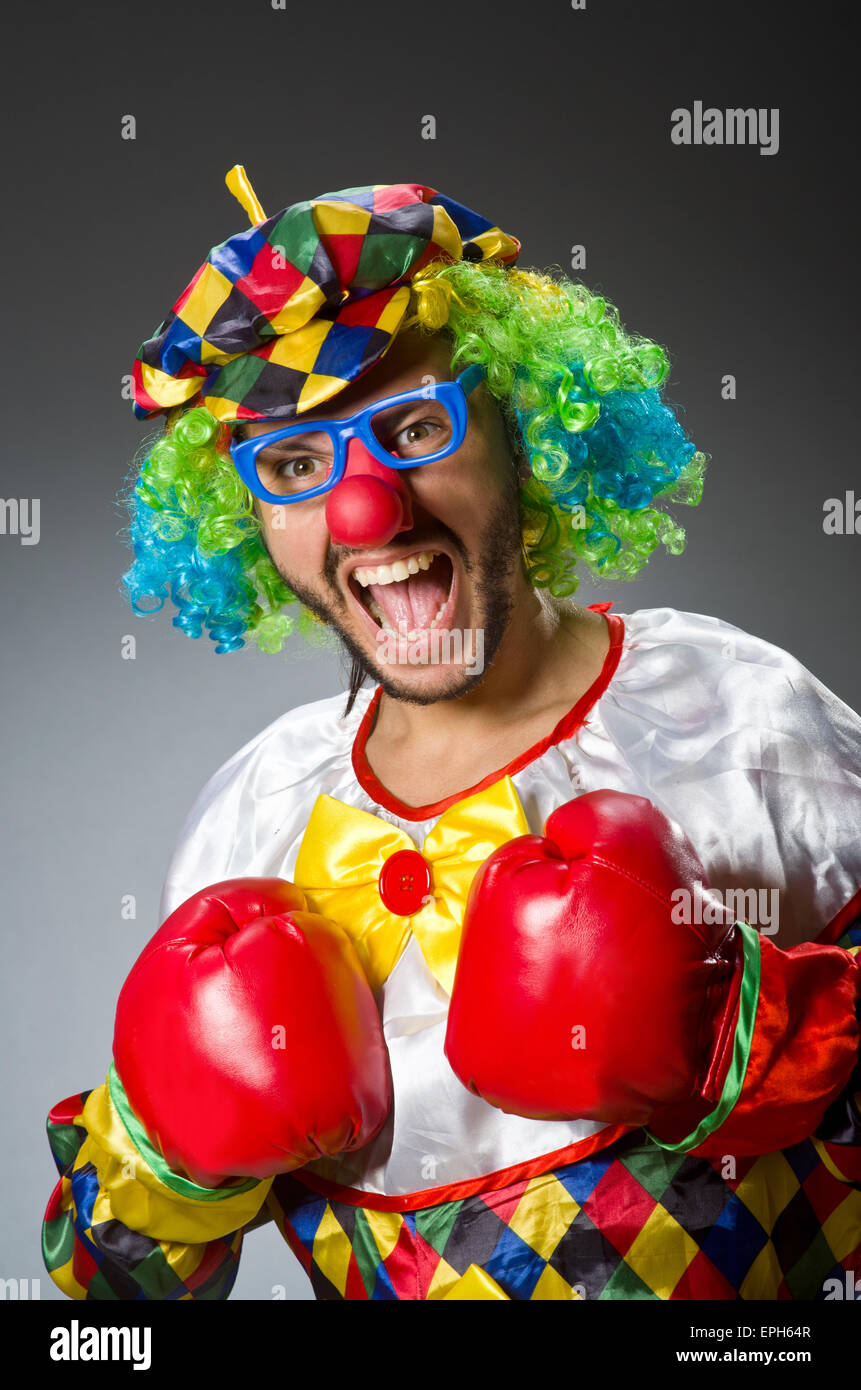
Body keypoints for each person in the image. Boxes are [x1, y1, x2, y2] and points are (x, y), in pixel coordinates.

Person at [42, 168, 861, 1302]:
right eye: (293, 464)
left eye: (415, 427)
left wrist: (748, 1031)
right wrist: (170, 1166)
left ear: (521, 424)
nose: (367, 509)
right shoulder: (257, 818)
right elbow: (104, 1304)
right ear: (248, 519)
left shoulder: (732, 713)